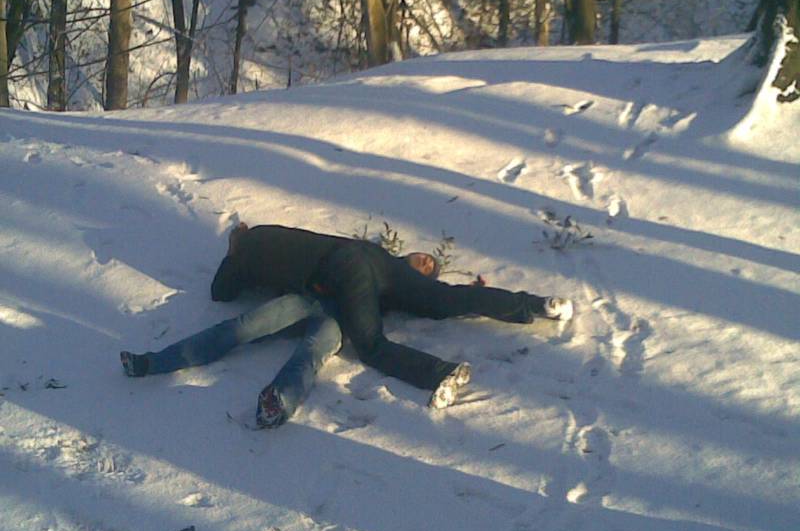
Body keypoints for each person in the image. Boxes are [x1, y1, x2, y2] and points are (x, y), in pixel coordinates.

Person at [210, 223, 573, 418]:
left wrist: (232, 255)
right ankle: (537, 305)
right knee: (445, 298)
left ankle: (440, 373)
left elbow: (220, 292)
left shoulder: (248, 248)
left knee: (371, 346)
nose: (427, 263)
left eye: (429, 265)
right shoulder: (265, 238)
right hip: (364, 260)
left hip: (347, 265)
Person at [120, 224, 447, 428]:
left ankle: (278, 403)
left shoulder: (400, 289)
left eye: (429, 268)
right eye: (425, 257)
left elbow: (432, 305)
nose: (425, 262)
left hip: (338, 321)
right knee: (243, 326)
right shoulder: (372, 256)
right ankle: (154, 362)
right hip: (307, 298)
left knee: (310, 353)